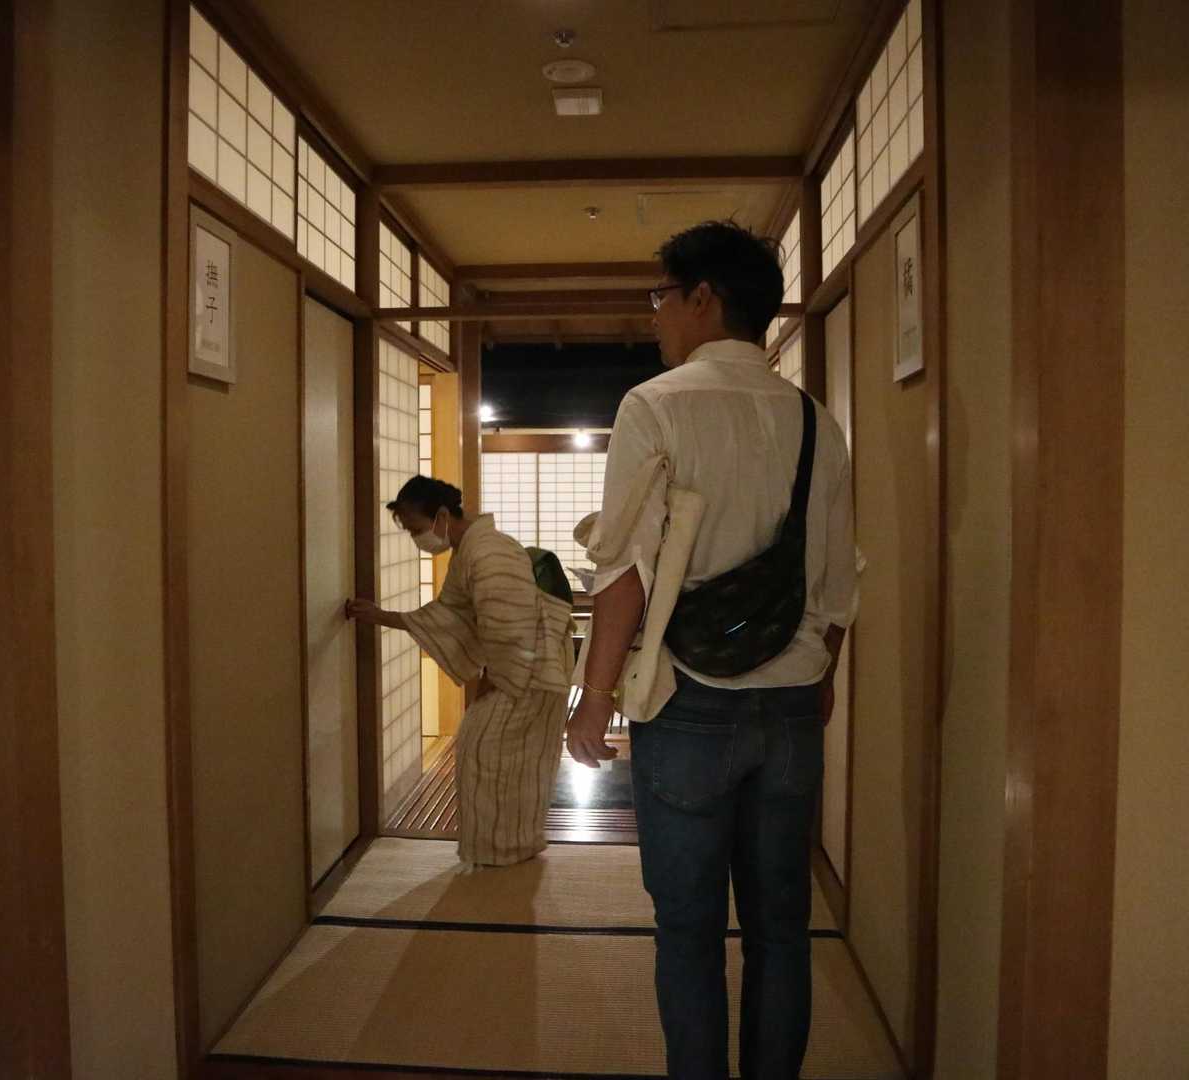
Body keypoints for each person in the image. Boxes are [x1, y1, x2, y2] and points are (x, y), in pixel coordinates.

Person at [566, 221, 858, 1079]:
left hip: (688, 703)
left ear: (703, 298)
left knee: (689, 932)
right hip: (793, 704)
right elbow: (839, 578)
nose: (655, 315)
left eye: (662, 296)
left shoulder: (655, 405)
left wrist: (593, 698)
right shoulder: (817, 422)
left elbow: (624, 571)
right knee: (783, 931)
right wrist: (822, 677)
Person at [347, 475, 574, 871]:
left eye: (416, 528)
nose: (417, 539)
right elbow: (450, 615)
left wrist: (493, 679)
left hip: (531, 667)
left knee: (491, 752)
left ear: (441, 515)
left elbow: (509, 626)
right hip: (523, 664)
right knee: (507, 756)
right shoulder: (470, 550)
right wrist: (381, 616)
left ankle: (504, 849)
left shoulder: (488, 553)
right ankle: (509, 845)